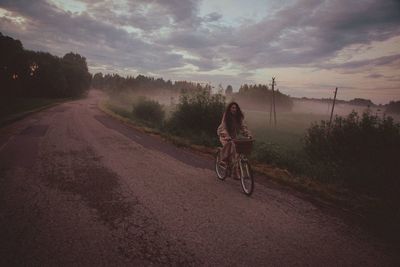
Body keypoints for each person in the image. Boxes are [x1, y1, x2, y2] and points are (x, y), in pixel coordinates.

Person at [217, 102, 252, 178]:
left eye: (235, 108)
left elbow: (243, 127)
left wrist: (248, 134)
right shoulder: (226, 116)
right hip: (224, 135)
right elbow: (223, 127)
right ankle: (223, 160)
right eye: (232, 108)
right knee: (230, 146)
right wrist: (227, 136)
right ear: (229, 109)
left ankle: (234, 172)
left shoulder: (238, 118)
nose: (234, 109)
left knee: (236, 153)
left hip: (233, 137)